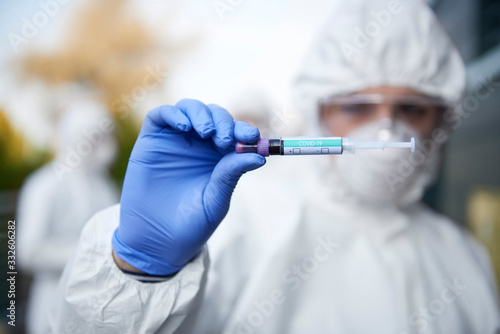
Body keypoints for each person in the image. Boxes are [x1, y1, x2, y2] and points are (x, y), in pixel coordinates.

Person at [49, 0, 500, 333]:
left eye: (410, 108)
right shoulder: (243, 223)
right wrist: (139, 273)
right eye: (358, 106)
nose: (385, 129)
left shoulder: (465, 257)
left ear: (443, 120)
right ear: (318, 112)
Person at [17, 99, 119, 334]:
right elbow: (29, 252)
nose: (101, 145)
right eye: (94, 137)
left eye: (104, 137)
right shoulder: (44, 185)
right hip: (54, 301)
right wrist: (96, 254)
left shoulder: (105, 186)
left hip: (102, 309)